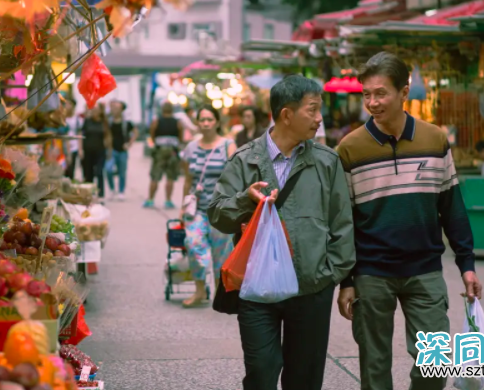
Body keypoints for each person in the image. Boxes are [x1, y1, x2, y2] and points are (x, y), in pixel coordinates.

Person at [336, 52, 482, 390]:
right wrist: (346, 280)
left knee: (436, 361)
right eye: (366, 94)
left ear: (404, 92)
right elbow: (343, 221)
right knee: (375, 368)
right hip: (372, 273)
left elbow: (452, 207)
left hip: (425, 270)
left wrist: (467, 264)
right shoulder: (349, 149)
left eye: (381, 93)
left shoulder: (434, 140)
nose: (372, 102)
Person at [207, 75, 355, 390]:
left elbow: (343, 224)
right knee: (261, 372)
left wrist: (330, 275)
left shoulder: (327, 162)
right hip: (257, 288)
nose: (319, 119)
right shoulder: (245, 159)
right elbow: (218, 216)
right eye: (312, 110)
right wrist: (244, 200)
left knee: (305, 377)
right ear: (286, 114)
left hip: (310, 288)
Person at [180, 105, 237, 307]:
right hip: (197, 210)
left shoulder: (227, 146)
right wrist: (183, 205)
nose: (205, 124)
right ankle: (200, 290)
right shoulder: (191, 148)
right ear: (197, 123)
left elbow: (235, 178)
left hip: (221, 210)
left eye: (209, 120)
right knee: (194, 245)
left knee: (221, 253)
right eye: (202, 120)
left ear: (217, 122)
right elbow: (188, 179)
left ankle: (219, 293)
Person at [145, 102, 183, 209]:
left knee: (155, 176)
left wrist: (154, 144)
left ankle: (150, 199)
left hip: (160, 150)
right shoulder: (177, 122)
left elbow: (151, 134)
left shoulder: (157, 121)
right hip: (173, 150)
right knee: (170, 177)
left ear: (162, 110)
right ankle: (168, 200)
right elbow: (181, 137)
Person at [107, 100, 138, 200]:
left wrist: (129, 143)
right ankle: (112, 189)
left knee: (122, 172)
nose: (114, 110)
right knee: (108, 169)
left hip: (122, 150)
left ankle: (121, 191)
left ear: (121, 110)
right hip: (112, 150)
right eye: (113, 108)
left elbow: (135, 132)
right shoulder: (109, 121)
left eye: (116, 108)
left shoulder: (126, 123)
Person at [81, 103, 111, 199]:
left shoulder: (104, 122)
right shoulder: (87, 121)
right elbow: (81, 135)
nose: (94, 111)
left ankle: (101, 194)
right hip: (88, 150)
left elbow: (108, 136)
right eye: (93, 109)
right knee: (88, 173)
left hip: (100, 151)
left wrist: (109, 149)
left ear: (100, 111)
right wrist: (80, 149)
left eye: (96, 109)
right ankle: (89, 194)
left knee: (99, 172)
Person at [65, 99, 82, 180]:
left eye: (69, 104)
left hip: (74, 146)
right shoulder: (63, 118)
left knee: (72, 166)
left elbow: (79, 133)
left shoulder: (77, 118)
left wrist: (80, 148)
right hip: (64, 145)